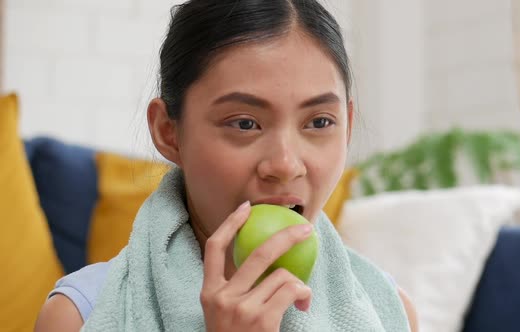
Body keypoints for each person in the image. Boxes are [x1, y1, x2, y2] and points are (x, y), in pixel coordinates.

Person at [35, 0, 418, 331]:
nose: (284, 165)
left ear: (347, 127)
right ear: (169, 132)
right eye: (244, 123)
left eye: (319, 122)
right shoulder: (81, 316)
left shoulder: (389, 311)